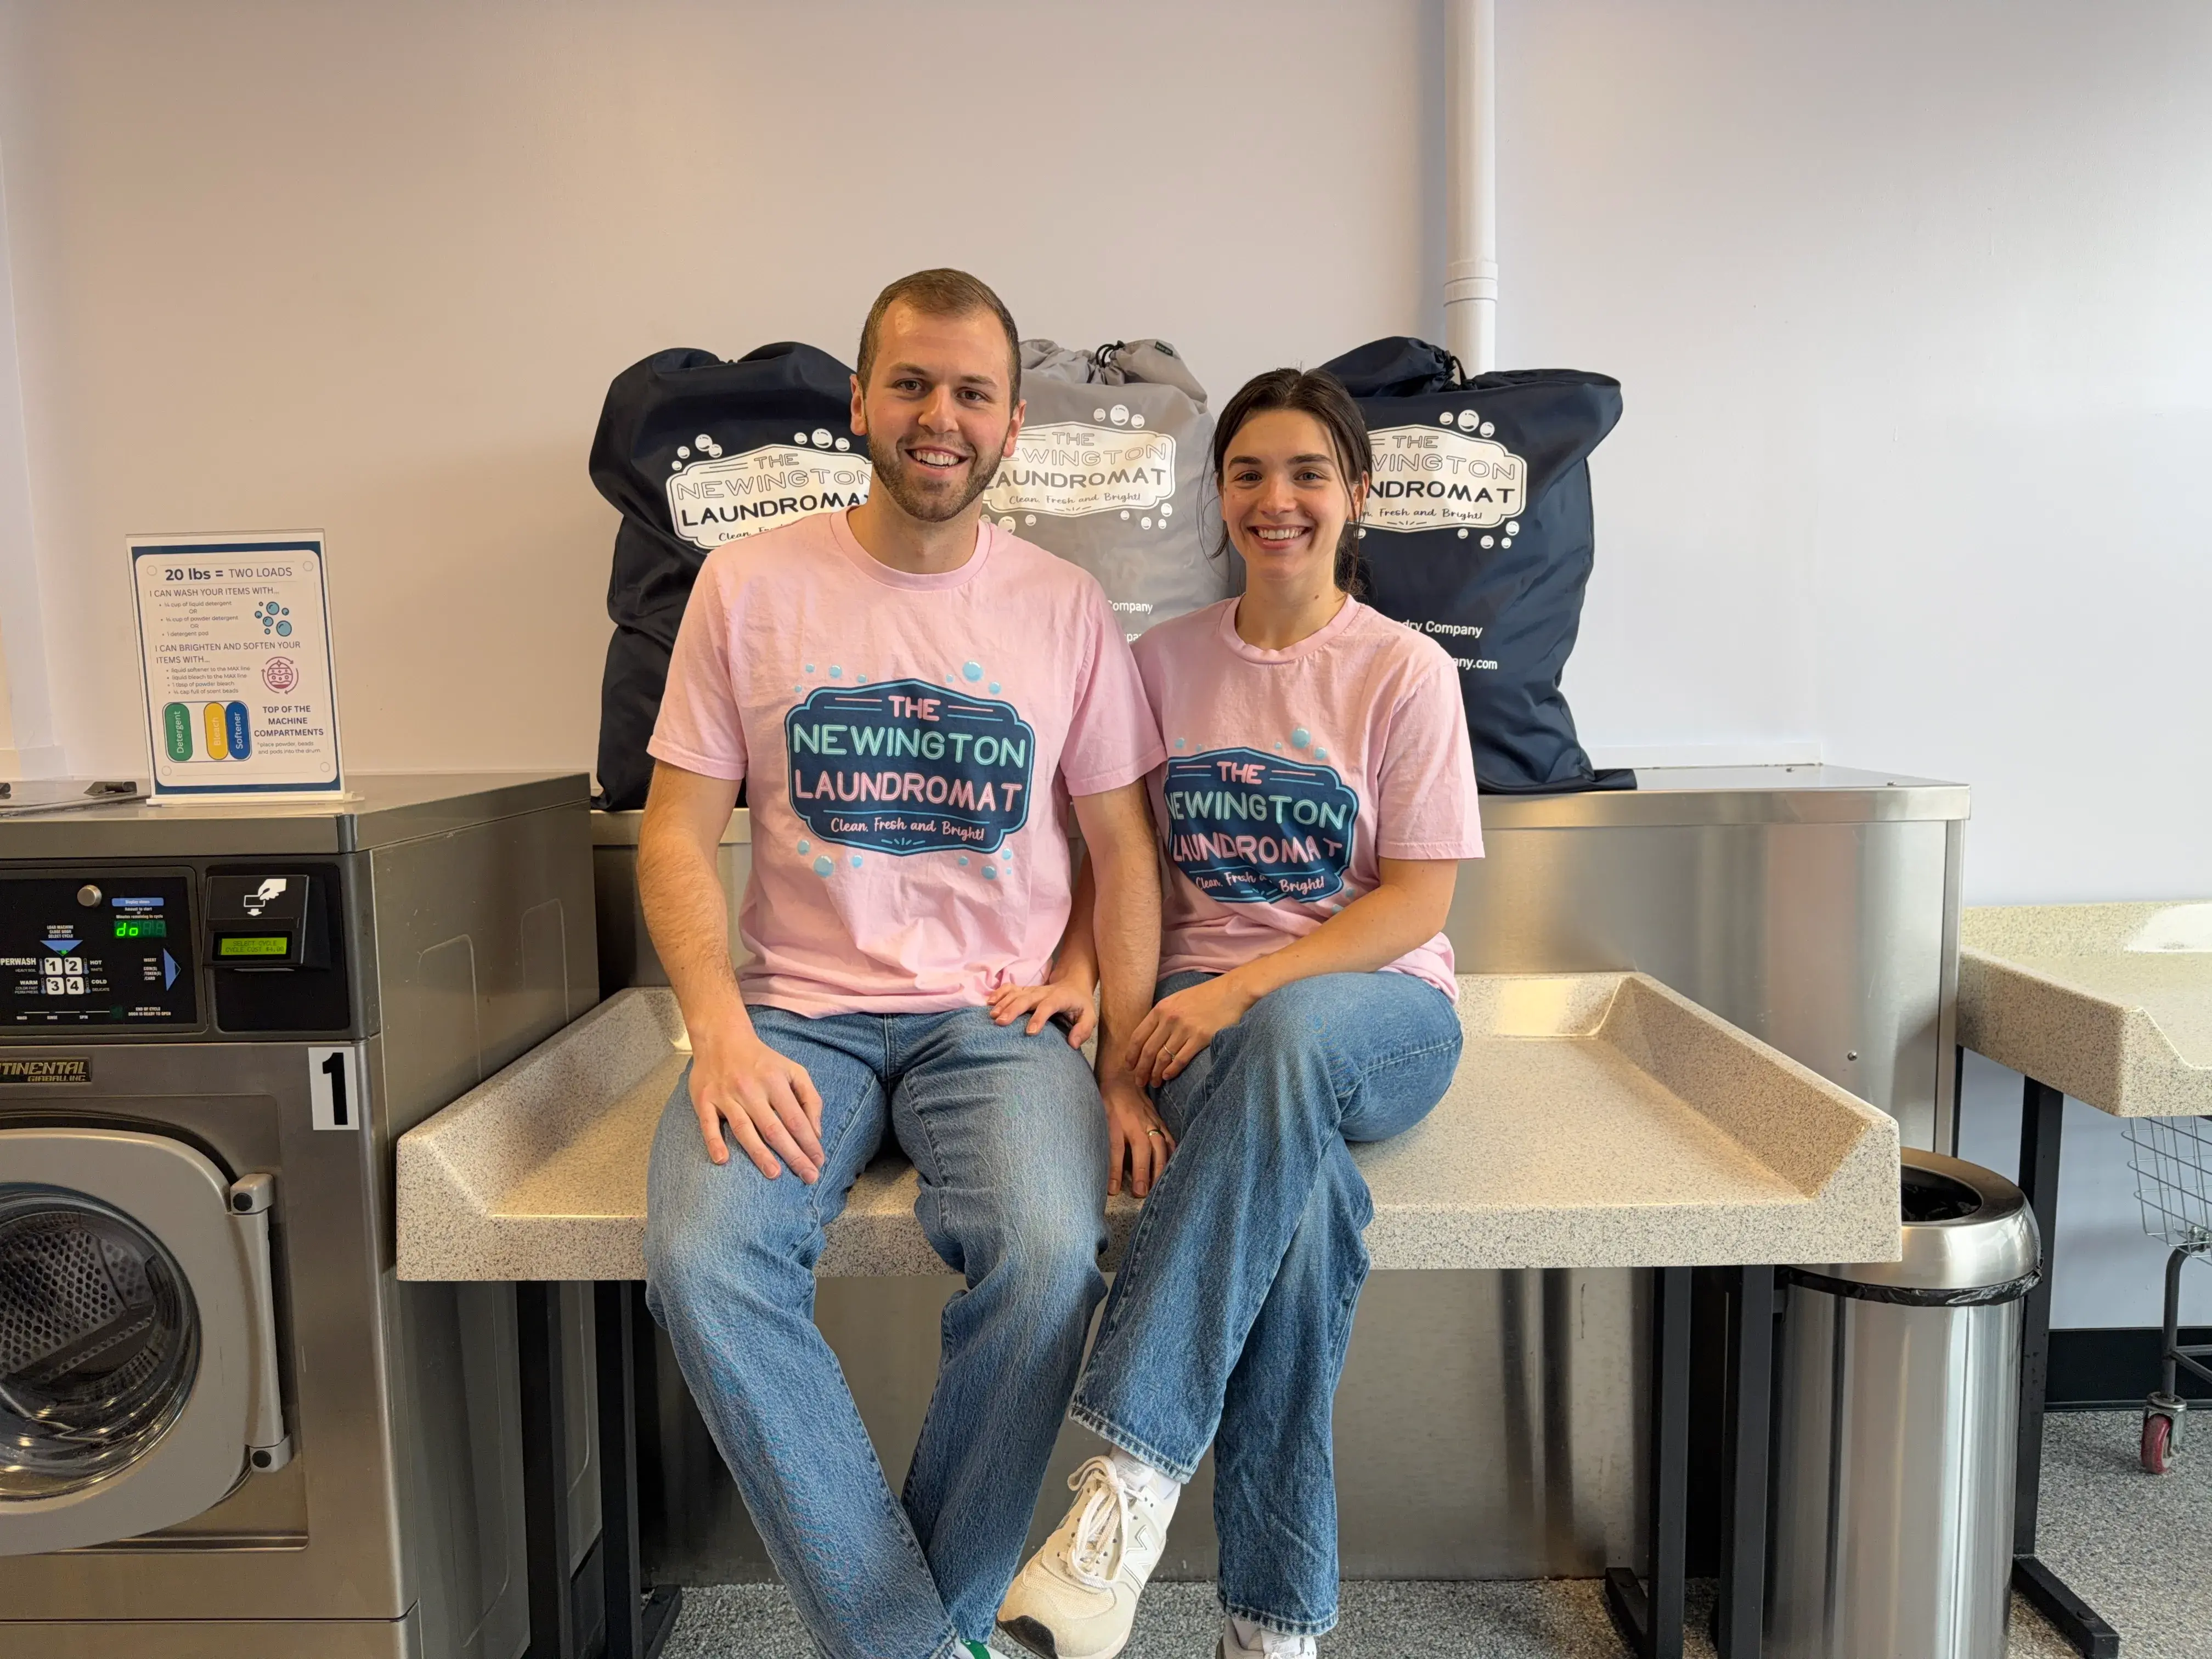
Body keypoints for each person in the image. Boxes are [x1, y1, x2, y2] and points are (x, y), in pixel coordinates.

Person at [638, 268, 1171, 1659]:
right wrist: (718, 1026)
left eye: (974, 392)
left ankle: (901, 1640)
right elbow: (676, 836)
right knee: (706, 1263)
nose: (942, 416)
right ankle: (925, 1647)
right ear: (862, 403)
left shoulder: (1064, 608)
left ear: (1009, 426)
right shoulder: (747, 589)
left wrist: (1111, 1042)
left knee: (1053, 1259)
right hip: (791, 1021)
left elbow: (1123, 845)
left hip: (992, 1026)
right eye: (915, 384)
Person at [990, 368, 1486, 1659]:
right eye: (1251, 473)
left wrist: (1240, 989)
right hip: (1208, 1040)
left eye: (1309, 473)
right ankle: (1274, 1631)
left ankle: (1130, 1483)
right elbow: (1119, 864)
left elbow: (1416, 901)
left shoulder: (1404, 673)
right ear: (1220, 495)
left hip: (1378, 1019)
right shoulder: (1160, 665)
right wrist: (1111, 1057)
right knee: (1308, 1211)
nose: (1279, 500)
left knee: (1296, 1036)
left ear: (1357, 496)